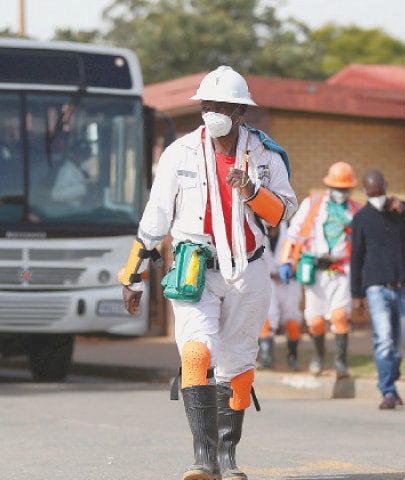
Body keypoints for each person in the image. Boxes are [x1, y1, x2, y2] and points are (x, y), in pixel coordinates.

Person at [120, 65, 297, 480]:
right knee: (196, 353)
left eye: (220, 106)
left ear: (240, 112)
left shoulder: (266, 155)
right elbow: (156, 217)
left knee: (237, 364)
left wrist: (251, 190)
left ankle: (227, 455)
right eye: (206, 105)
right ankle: (203, 457)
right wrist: (133, 275)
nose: (211, 112)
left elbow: (285, 211)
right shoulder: (179, 153)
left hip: (248, 270)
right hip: (195, 269)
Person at [278, 161, 360, 378]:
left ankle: (341, 363)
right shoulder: (313, 204)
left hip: (342, 270)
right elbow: (293, 234)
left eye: (345, 189)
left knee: (340, 316)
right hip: (314, 271)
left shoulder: (355, 209)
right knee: (315, 320)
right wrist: (286, 261)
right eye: (337, 188)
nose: (341, 193)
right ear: (329, 186)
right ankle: (318, 356)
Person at [350, 170, 405, 409]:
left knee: (402, 340)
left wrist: (404, 211)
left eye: (379, 192)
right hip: (375, 287)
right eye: (371, 194)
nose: (376, 197)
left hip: (402, 286)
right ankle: (388, 391)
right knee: (384, 340)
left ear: (385, 187)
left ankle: (391, 376)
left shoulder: (402, 211)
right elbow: (356, 258)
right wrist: (356, 295)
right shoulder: (361, 219)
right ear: (365, 193)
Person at [258, 221, 304, 371]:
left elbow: (300, 249)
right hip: (267, 279)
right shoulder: (257, 227)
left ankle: (292, 357)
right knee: (268, 317)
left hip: (289, 280)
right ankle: (267, 358)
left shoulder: (291, 227)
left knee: (292, 317)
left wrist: (292, 267)